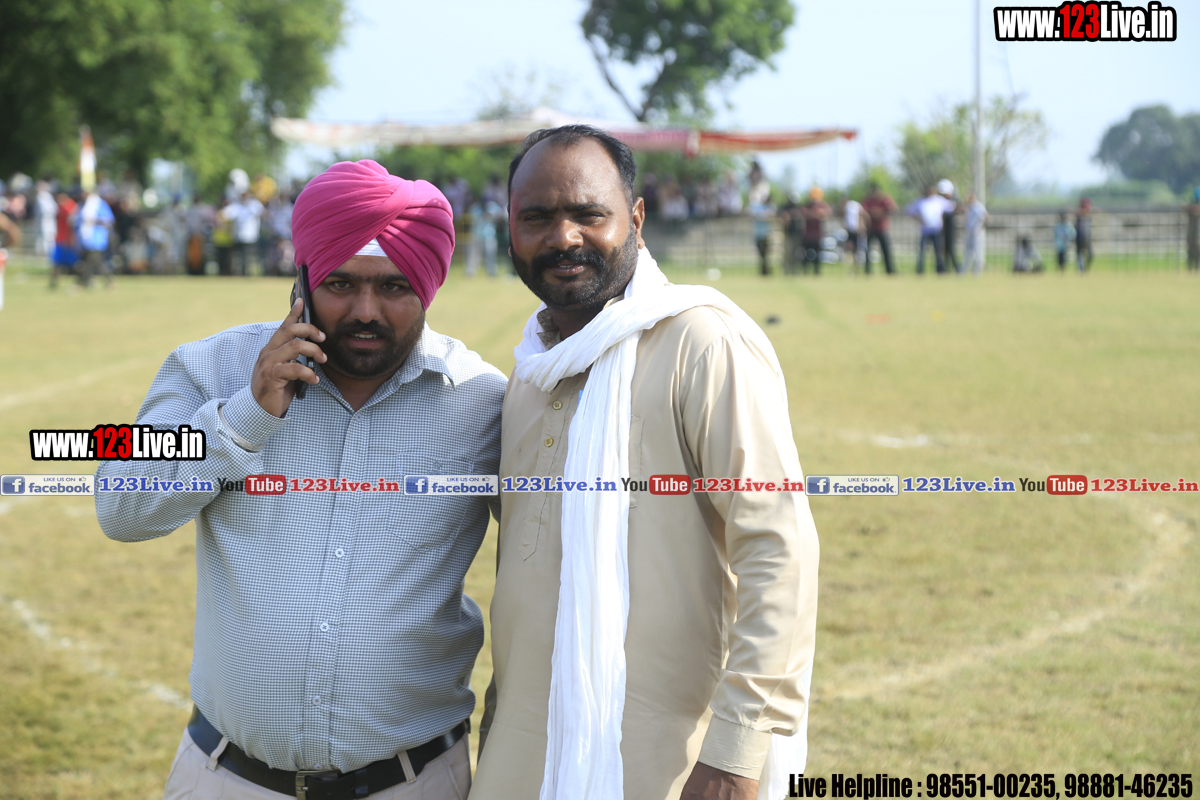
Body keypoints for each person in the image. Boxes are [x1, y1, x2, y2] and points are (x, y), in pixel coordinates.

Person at [96, 160, 505, 800]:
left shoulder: (481, 401)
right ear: (303, 279)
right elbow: (117, 506)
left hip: (415, 781)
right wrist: (244, 416)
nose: (365, 311)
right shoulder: (208, 366)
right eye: (341, 283)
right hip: (227, 778)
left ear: (429, 286)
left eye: (394, 287)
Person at [473, 125, 819, 800]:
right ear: (509, 227)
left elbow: (778, 548)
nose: (563, 237)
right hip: (525, 759)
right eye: (537, 218)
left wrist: (736, 752)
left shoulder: (701, 342)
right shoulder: (528, 372)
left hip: (670, 761)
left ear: (634, 219)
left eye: (588, 214)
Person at [907, 184, 955, 275]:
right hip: (925, 231)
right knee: (922, 252)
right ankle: (920, 271)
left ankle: (940, 270)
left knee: (938, 252)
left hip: (936, 230)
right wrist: (918, 218)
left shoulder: (939, 200)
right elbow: (909, 210)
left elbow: (951, 207)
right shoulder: (921, 201)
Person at [75, 189, 115, 289]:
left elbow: (109, 220)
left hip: (97, 238)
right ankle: (89, 282)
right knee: (93, 261)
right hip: (87, 239)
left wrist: (95, 220)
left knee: (94, 261)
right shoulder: (84, 205)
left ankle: (83, 282)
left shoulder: (100, 204)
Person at [222, 191, 264, 276]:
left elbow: (264, 213)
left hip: (251, 236)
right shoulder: (235, 206)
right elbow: (224, 214)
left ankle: (250, 272)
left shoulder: (254, 204)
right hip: (238, 236)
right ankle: (240, 272)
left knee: (249, 257)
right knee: (239, 257)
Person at [861, 182, 898, 275]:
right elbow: (863, 211)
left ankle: (890, 271)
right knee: (867, 250)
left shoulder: (883, 200)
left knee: (886, 251)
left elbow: (893, 208)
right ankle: (867, 271)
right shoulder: (868, 201)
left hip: (882, 228)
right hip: (870, 229)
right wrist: (876, 213)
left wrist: (878, 211)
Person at [49, 190, 79, 289]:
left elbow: (72, 225)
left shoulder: (70, 207)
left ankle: (80, 281)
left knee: (74, 263)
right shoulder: (61, 207)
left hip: (67, 239)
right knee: (56, 262)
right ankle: (53, 283)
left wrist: (70, 239)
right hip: (60, 238)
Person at [748, 163, 774, 276]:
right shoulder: (755, 202)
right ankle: (763, 271)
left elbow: (771, 214)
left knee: (767, 253)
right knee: (760, 253)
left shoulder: (764, 187)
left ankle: (766, 270)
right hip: (758, 232)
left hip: (767, 233)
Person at [799, 186, 831, 275]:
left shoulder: (822, 205)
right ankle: (806, 271)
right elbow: (806, 214)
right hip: (807, 235)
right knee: (806, 254)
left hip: (817, 235)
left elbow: (826, 213)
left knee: (818, 254)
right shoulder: (807, 205)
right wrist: (815, 214)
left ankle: (816, 272)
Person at [937, 179, 961, 273]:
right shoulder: (940, 201)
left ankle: (956, 267)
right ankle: (944, 268)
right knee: (943, 250)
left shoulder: (952, 202)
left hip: (949, 228)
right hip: (940, 228)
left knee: (950, 249)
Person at [963, 192, 988, 276]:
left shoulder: (978, 206)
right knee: (968, 253)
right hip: (970, 232)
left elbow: (986, 217)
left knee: (978, 253)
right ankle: (964, 272)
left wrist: (980, 229)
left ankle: (977, 273)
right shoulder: (969, 207)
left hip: (977, 233)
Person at [842, 195, 866, 269]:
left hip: (857, 230)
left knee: (858, 248)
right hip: (850, 230)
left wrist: (861, 225)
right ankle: (851, 263)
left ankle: (857, 264)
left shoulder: (855, 205)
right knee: (849, 247)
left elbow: (861, 215)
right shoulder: (846, 207)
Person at [1075, 197, 1094, 272]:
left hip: (1087, 239)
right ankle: (1081, 270)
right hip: (1079, 239)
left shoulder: (1088, 217)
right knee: (1080, 255)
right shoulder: (1079, 216)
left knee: (1090, 255)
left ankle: (1085, 268)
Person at [1186, 188, 1200, 272]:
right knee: (1191, 248)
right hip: (1192, 233)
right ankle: (1190, 267)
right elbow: (1184, 208)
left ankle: (1196, 267)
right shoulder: (1192, 206)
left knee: (1197, 248)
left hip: (1197, 234)